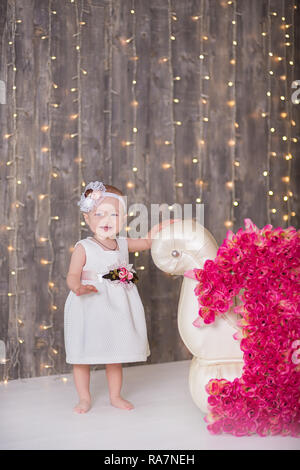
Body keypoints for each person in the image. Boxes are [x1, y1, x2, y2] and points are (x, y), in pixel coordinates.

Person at [64, 181, 174, 414]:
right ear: (87, 218)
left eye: (114, 214)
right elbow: (73, 275)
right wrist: (77, 287)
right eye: (100, 213)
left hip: (116, 307)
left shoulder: (122, 243)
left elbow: (145, 242)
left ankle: (115, 395)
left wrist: (159, 230)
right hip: (89, 305)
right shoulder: (84, 247)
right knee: (82, 355)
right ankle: (84, 398)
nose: (107, 219)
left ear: (122, 219)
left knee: (114, 354)